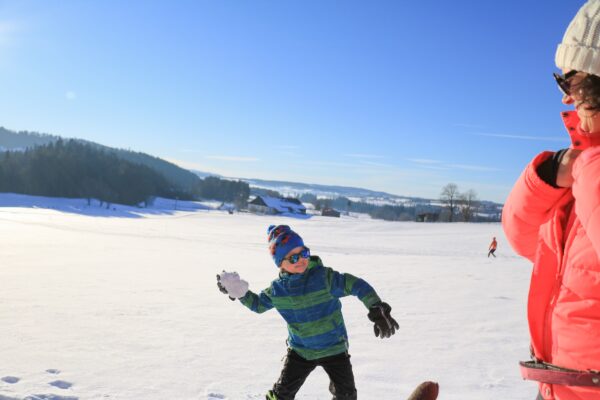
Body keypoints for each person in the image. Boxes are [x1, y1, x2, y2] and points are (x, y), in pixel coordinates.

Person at [502, 1, 600, 399]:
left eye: (572, 84)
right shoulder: (585, 171)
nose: (565, 99)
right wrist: (545, 178)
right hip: (560, 384)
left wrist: (590, 163)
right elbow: (529, 243)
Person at [216, 224, 399, 400]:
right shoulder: (277, 290)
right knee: (282, 394)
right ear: (280, 264)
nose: (301, 260)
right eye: (293, 258)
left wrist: (376, 307)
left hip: (334, 348)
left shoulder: (325, 278)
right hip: (300, 351)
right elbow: (257, 305)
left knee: (347, 395)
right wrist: (239, 291)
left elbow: (356, 285)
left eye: (303, 253)